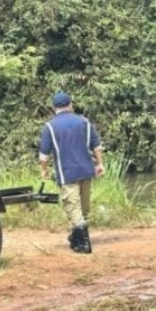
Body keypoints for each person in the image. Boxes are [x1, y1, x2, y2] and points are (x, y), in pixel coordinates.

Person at [38, 92, 104, 254]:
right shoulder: (84, 122)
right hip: (87, 170)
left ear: (54, 108)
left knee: (73, 207)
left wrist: (44, 170)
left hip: (67, 173)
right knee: (83, 208)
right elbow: (97, 146)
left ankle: (84, 245)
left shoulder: (50, 127)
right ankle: (75, 238)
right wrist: (100, 164)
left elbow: (44, 155)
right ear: (70, 105)